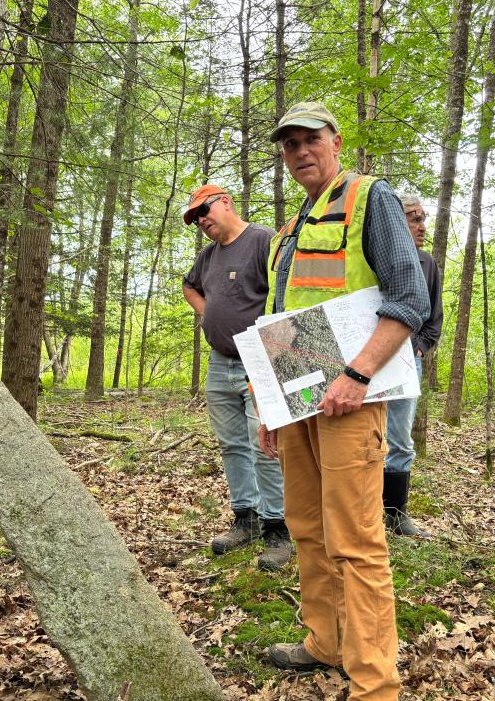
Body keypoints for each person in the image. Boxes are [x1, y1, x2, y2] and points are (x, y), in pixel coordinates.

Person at [257, 102, 429, 700]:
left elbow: (410, 297)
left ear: (335, 142)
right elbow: (282, 323)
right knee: (306, 526)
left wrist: (357, 374)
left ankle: (376, 683)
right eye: (290, 144)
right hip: (299, 400)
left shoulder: (368, 198)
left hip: (352, 400)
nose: (301, 151)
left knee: (356, 539)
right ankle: (324, 643)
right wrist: (270, 405)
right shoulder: (290, 227)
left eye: (311, 139)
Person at [182, 185, 294, 572]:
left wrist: (275, 352)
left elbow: (286, 295)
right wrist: (209, 310)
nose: (201, 221)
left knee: (264, 443)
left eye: (204, 210)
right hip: (219, 362)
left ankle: (277, 527)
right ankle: (244, 518)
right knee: (232, 444)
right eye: (195, 218)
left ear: (226, 202)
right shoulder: (209, 255)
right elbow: (188, 285)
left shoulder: (264, 240)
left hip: (260, 359)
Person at [384, 195, 443, 538]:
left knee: (400, 440)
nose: (422, 226)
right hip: (366, 364)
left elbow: (433, 319)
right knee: (363, 438)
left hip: (407, 361)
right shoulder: (374, 261)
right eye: (413, 218)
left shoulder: (426, 264)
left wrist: (418, 350)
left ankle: (396, 514)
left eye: (423, 218)